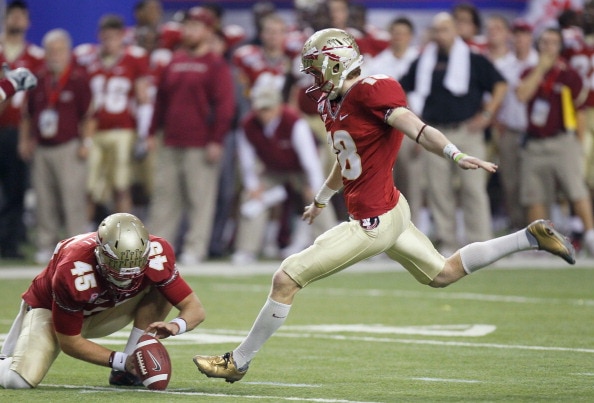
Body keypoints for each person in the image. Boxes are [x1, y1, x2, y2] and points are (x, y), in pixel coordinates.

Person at [192, 28, 575, 384]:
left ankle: (238, 361)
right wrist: (321, 200)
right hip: (393, 210)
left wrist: (455, 155)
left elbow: (415, 127)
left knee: (286, 278)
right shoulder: (334, 102)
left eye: (316, 70)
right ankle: (530, 237)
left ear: (335, 64)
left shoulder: (371, 91)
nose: (313, 80)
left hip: (372, 222)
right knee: (443, 273)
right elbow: (347, 160)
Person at [0, 212, 205, 389]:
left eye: (134, 267)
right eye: (119, 266)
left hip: (107, 307)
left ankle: (129, 371)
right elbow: (70, 342)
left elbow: (195, 309)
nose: (127, 277)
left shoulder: (158, 254)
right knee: (19, 381)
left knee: (161, 287)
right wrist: (123, 361)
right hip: (51, 312)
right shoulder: (73, 269)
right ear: (100, 254)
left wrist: (176, 326)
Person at [400, 12, 507, 255]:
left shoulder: (472, 58)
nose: (441, 35)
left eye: (446, 29)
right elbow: (402, 87)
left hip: (466, 130)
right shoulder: (424, 60)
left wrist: (487, 115)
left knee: (473, 189)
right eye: (437, 30)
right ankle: (448, 243)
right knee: (439, 190)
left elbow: (500, 84)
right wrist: (416, 124)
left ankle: (481, 243)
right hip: (435, 134)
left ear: (455, 31)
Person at [147, 6, 235, 265]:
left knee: (200, 199)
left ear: (208, 32)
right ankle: (158, 251)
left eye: (196, 26)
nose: (189, 31)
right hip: (171, 140)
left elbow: (224, 106)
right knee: (164, 199)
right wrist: (152, 132)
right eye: (187, 26)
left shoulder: (216, 65)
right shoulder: (173, 60)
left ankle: (195, 249)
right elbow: (160, 101)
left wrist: (216, 139)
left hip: (200, 143)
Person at [232, 75, 336, 264]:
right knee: (251, 196)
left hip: (302, 167)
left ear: (279, 106)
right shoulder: (248, 125)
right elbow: (246, 161)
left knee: (318, 197)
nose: (264, 113)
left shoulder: (295, 123)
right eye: (260, 109)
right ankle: (247, 249)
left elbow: (310, 161)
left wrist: (314, 186)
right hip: (273, 168)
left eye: (268, 108)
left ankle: (330, 247)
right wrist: (253, 185)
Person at [516, 27, 594, 255]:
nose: (548, 47)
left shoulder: (569, 74)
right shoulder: (529, 71)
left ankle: (590, 235)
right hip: (535, 142)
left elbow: (580, 111)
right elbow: (522, 95)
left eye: (553, 43)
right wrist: (540, 69)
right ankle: (540, 243)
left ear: (560, 47)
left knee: (576, 190)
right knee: (535, 194)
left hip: (563, 140)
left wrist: (578, 144)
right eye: (544, 42)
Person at [18, 29, 93, 265]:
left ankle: (75, 246)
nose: (55, 55)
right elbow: (27, 115)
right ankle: (45, 244)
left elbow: (89, 115)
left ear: (68, 52)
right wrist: (24, 140)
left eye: (59, 50)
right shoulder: (38, 79)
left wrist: (86, 142)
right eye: (51, 51)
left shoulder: (79, 79)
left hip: (69, 146)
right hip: (42, 147)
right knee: (44, 199)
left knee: (72, 199)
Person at [75, 14, 153, 222]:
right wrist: (83, 136)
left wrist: (144, 134)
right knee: (89, 187)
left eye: (114, 36)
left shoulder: (134, 58)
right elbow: (83, 102)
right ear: (99, 35)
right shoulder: (88, 58)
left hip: (123, 130)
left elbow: (143, 97)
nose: (109, 41)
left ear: (122, 36)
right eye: (105, 36)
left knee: (121, 186)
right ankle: (84, 238)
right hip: (95, 131)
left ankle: (128, 235)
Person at [0, 0, 44, 260]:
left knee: (16, 190)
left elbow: (39, 102)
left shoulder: (36, 56)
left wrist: (30, 136)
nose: (16, 20)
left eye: (21, 16)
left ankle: (11, 243)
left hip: (17, 131)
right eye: (12, 15)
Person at [490, 19, 538, 231]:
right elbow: (493, 97)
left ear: (530, 37)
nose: (520, 38)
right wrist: (496, 121)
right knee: (511, 183)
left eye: (524, 34)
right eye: (516, 34)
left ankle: (541, 227)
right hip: (509, 130)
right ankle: (518, 228)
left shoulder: (539, 64)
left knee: (535, 183)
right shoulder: (503, 66)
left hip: (535, 132)